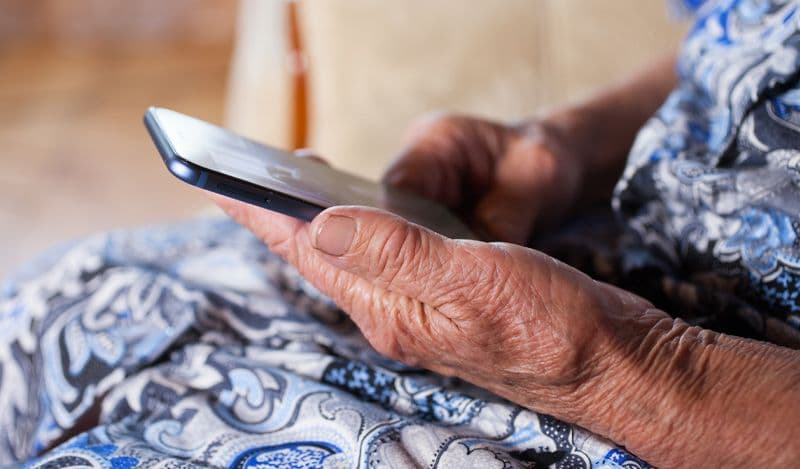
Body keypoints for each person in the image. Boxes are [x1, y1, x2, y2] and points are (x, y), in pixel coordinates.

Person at [3, 0, 800, 467]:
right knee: (55, 307)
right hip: (609, 256)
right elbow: (742, 40)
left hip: (713, 407)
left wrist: (618, 366)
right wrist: (565, 142)